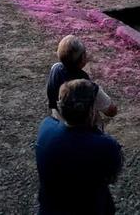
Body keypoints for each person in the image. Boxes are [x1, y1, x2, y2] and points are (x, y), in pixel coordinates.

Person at [36, 79, 123, 215]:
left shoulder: (45, 127)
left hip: (50, 209)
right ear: (90, 113)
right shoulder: (106, 146)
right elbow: (112, 176)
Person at [46, 35, 117, 127]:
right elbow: (111, 111)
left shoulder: (55, 68)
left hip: (59, 122)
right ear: (83, 58)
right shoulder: (88, 87)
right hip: (84, 131)